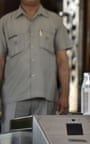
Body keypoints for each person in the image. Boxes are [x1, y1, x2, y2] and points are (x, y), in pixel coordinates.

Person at [0, 0, 72, 133]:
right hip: (14, 97)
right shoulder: (5, 22)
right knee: (12, 141)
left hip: (46, 96)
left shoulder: (55, 21)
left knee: (44, 139)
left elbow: (62, 60)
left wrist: (65, 94)